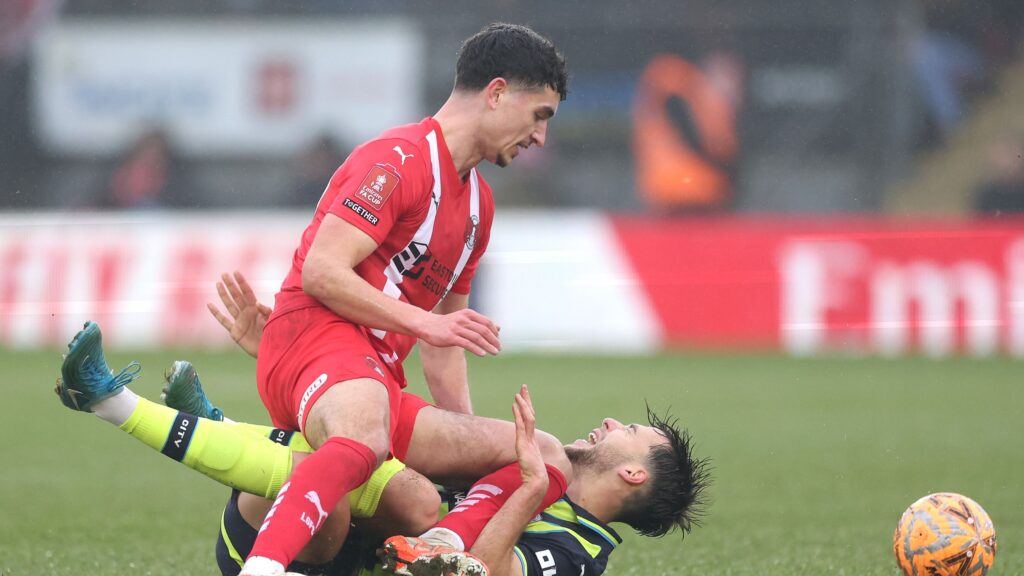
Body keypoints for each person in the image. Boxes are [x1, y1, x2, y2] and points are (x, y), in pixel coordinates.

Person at [58, 22, 578, 576]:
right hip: (315, 337)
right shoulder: (396, 160)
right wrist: (424, 324)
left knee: (538, 457)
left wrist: (467, 457)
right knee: (363, 440)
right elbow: (322, 272)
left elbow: (447, 346)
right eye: (539, 115)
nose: (540, 137)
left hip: (375, 379)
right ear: (496, 93)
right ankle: (262, 567)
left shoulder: (479, 209)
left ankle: (443, 540)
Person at [53, 319, 710, 576]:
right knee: (382, 469)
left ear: (630, 472)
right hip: (322, 525)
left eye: (630, 431)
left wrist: (531, 486)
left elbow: (474, 570)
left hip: (312, 555)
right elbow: (452, 438)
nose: (610, 420)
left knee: (394, 492)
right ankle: (191, 421)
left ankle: (118, 406)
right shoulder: (547, 472)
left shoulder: (579, 555)